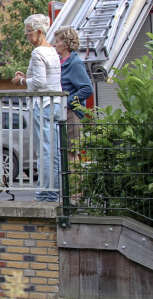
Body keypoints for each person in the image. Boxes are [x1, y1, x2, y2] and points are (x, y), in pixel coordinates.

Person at [11, 14, 63, 202]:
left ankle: (44, 194)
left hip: (43, 105)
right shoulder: (53, 52)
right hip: (56, 103)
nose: (27, 37)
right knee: (54, 150)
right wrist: (27, 76)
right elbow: (48, 79)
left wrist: (22, 81)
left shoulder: (38, 52)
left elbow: (40, 82)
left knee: (44, 151)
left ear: (39, 32)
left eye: (28, 33)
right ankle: (53, 192)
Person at [53, 26, 93, 163]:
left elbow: (87, 88)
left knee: (71, 154)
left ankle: (75, 184)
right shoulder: (60, 62)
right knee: (64, 154)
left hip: (72, 113)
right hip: (63, 112)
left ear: (66, 43)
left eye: (57, 41)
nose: (54, 44)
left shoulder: (75, 63)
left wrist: (67, 102)